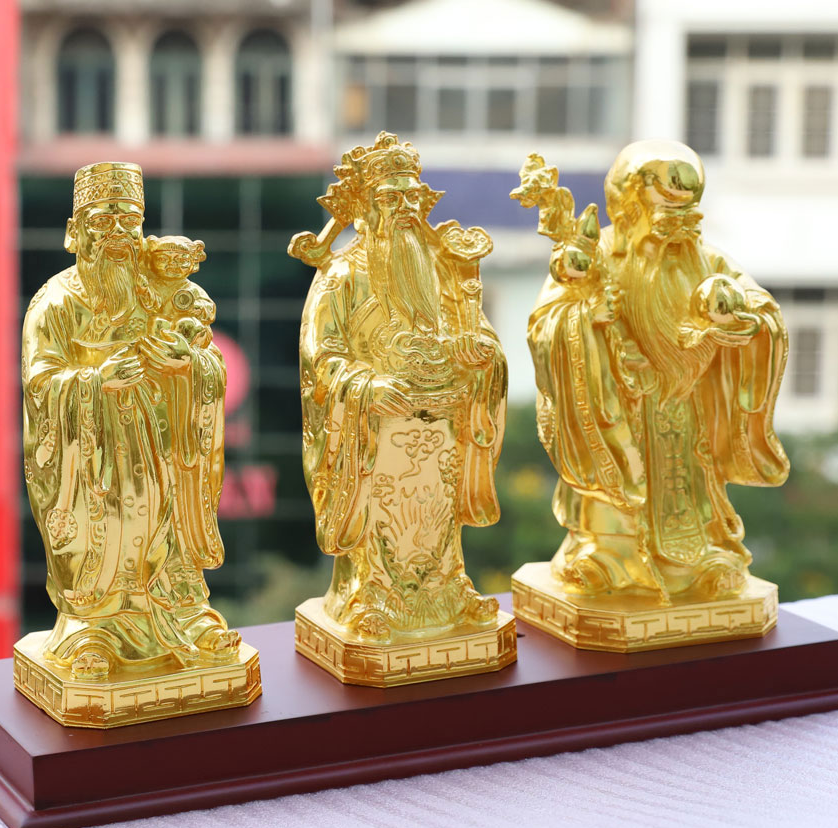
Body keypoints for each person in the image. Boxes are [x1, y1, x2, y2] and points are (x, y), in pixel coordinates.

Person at [526, 140, 790, 602]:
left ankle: (702, 558)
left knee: (689, 486)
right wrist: (586, 319)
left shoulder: (706, 260)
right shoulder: (591, 257)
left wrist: (745, 321)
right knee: (615, 492)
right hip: (618, 408)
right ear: (629, 205)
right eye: (667, 211)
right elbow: (545, 325)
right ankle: (605, 556)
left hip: (685, 410)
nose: (680, 225)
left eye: (688, 212)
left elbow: (759, 305)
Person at [22, 161, 239, 681]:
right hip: (92, 465)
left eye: (129, 222)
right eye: (103, 221)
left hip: (161, 445)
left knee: (165, 537)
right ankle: (92, 631)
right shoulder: (55, 302)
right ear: (75, 232)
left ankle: (183, 619)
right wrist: (97, 380)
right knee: (109, 538)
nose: (117, 234)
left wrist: (188, 365)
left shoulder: (159, 291)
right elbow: (39, 381)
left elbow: (204, 355)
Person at [297, 132, 507, 641]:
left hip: (443, 424)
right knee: (384, 512)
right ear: (366, 208)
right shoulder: (342, 274)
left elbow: (475, 331)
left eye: (413, 197)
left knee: (436, 513)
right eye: (392, 198)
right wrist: (365, 385)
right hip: (373, 430)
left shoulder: (442, 270)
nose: (406, 208)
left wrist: (480, 355)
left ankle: (449, 588)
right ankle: (365, 594)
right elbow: (319, 354)